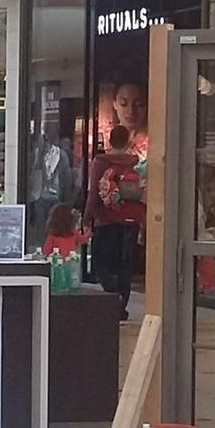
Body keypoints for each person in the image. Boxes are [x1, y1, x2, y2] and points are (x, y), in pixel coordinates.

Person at [84, 124, 146, 320]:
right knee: (125, 266)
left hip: (107, 220)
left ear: (110, 140)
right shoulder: (136, 163)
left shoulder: (102, 162)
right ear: (128, 141)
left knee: (102, 264)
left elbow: (93, 192)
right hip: (132, 220)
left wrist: (87, 218)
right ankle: (121, 305)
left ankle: (113, 296)